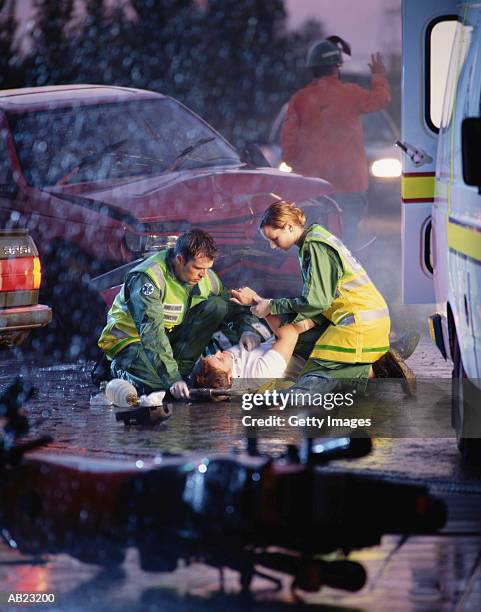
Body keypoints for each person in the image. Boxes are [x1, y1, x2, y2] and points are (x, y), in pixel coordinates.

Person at [230, 201, 415, 393]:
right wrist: (296, 320)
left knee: (313, 380)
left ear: (289, 227)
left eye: (274, 238)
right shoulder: (315, 239)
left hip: (357, 324)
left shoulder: (315, 247)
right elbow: (326, 299)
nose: (272, 246)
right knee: (301, 344)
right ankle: (384, 363)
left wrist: (271, 306)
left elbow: (317, 301)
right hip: (364, 318)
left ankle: (381, 371)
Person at [98, 229, 268, 399]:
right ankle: (115, 370)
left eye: (208, 268)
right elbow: (152, 334)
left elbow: (234, 306)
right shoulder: (148, 279)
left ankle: (180, 372)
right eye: (198, 268)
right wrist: (172, 380)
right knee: (159, 387)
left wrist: (247, 330)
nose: (203, 274)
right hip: (131, 343)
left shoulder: (205, 277)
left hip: (167, 338)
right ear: (180, 259)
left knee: (216, 305)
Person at [281, 36, 391, 248]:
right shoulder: (351, 93)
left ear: (312, 68)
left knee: (314, 239)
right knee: (346, 239)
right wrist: (378, 75)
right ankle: (344, 274)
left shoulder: (300, 99)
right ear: (337, 66)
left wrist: (296, 168)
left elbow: (288, 143)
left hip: (314, 187)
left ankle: (318, 276)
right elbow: (381, 99)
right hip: (350, 183)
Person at [195, 314, 315, 391]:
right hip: (302, 349)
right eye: (219, 358)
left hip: (277, 339)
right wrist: (264, 309)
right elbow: (290, 335)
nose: (218, 352)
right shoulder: (259, 375)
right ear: (231, 378)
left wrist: (247, 332)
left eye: (213, 355)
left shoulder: (226, 370)